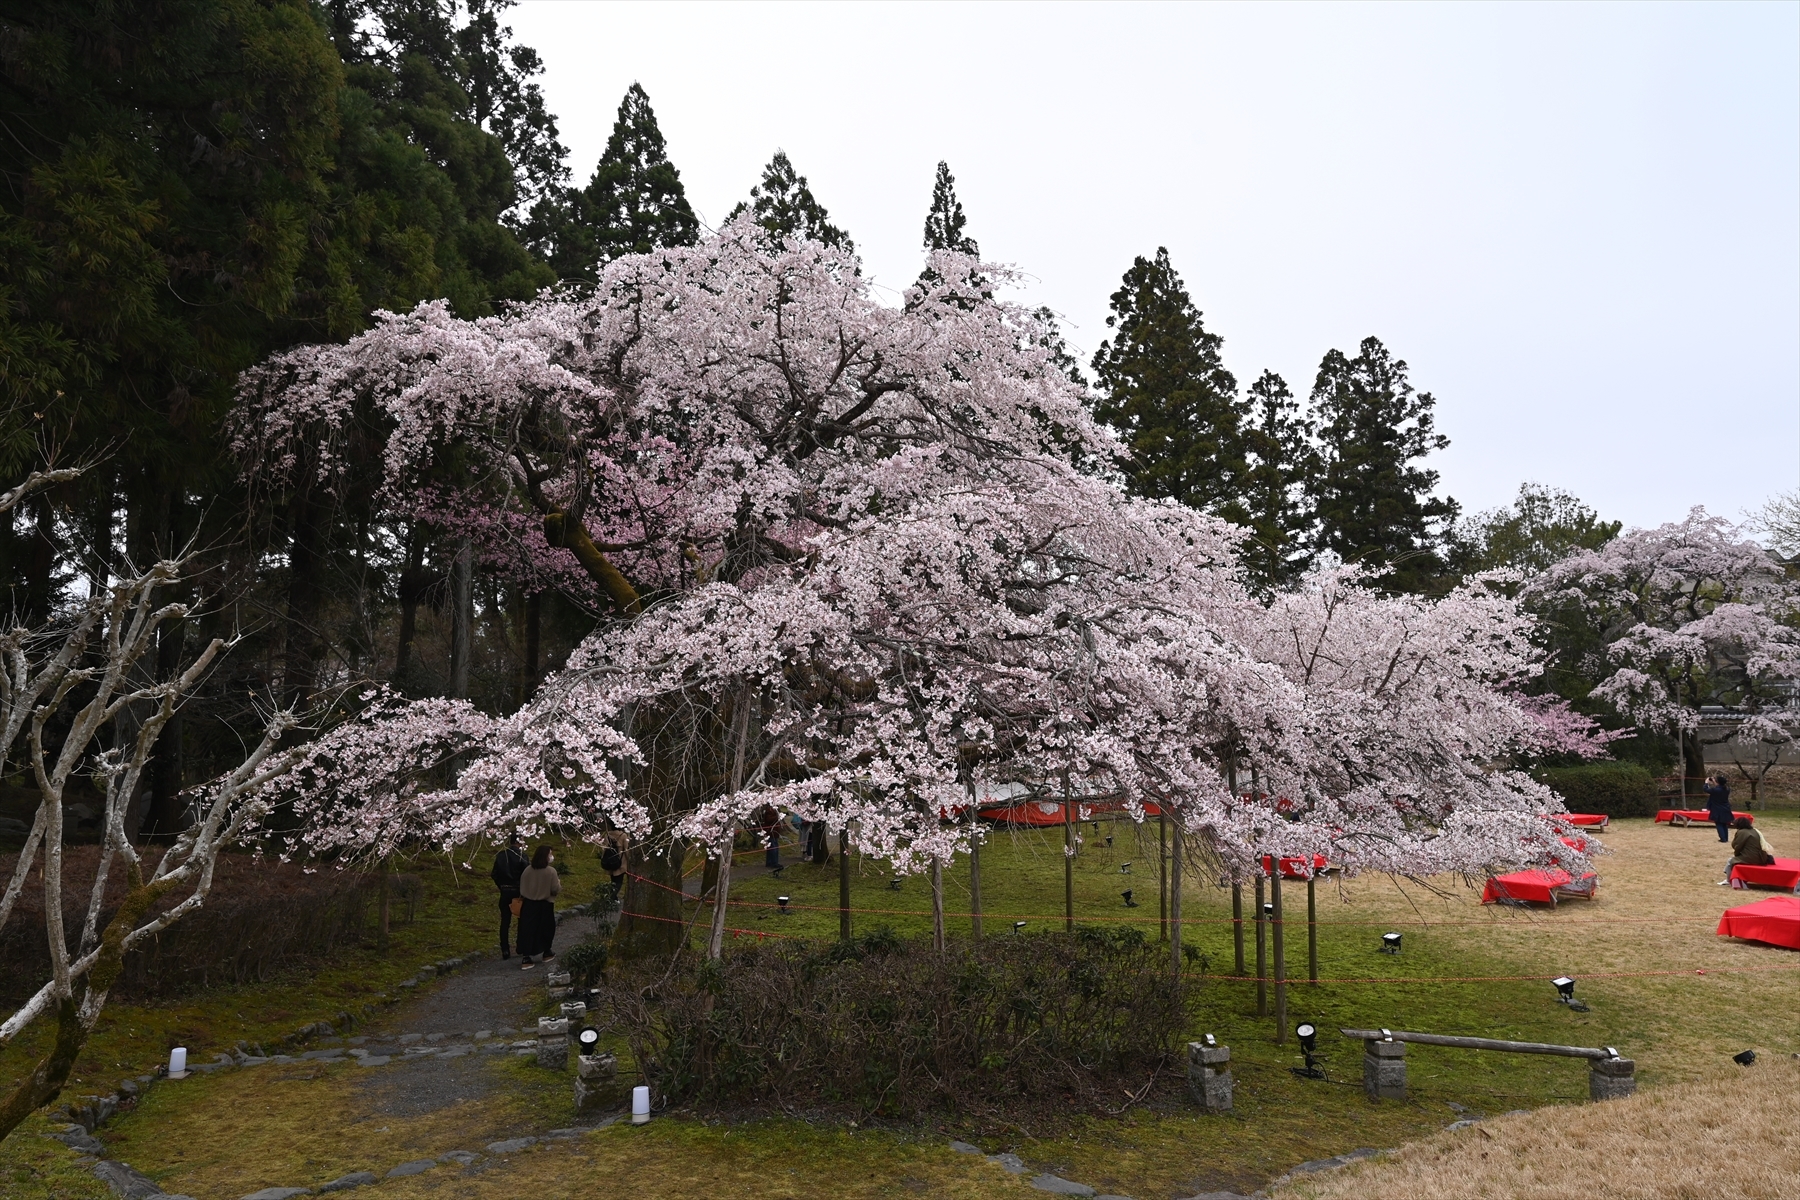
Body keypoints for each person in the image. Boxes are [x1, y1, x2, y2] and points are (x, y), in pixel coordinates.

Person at [516, 845, 562, 969]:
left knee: (527, 929)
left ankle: (526, 957)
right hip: (545, 904)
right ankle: (546, 951)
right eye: (550, 854)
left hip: (528, 904)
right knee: (546, 929)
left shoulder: (527, 870)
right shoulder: (551, 871)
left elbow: (522, 886)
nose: (551, 856)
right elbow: (555, 889)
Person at [490, 833, 527, 959]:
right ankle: (520, 945)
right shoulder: (521, 856)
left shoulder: (501, 855)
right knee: (521, 919)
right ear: (519, 841)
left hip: (505, 891)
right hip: (518, 891)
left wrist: (501, 885)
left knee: (505, 921)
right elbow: (527, 874)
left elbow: (494, 874)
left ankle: (505, 949)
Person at [1720, 816, 1777, 885]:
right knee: (1732, 860)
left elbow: (1737, 846)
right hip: (1761, 857)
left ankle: (1728, 880)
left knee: (1730, 861)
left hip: (1751, 857)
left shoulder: (1742, 832)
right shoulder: (1755, 831)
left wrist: (1737, 855)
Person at [1702, 773, 1734, 843]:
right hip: (1726, 808)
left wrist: (1706, 783)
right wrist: (1714, 782)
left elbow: (1706, 789)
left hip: (1717, 809)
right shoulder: (1727, 789)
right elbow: (1719, 787)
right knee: (1724, 823)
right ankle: (1725, 838)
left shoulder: (1716, 790)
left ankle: (1723, 838)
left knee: (1719, 823)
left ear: (1718, 782)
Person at [600, 832, 626, 907]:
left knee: (613, 880)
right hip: (620, 861)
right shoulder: (623, 835)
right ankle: (612, 897)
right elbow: (626, 849)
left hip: (610, 861)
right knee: (619, 881)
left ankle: (613, 897)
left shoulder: (608, 835)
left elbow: (604, 848)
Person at [757, 803, 782, 870]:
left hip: (774, 831)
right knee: (773, 847)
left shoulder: (773, 810)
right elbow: (768, 819)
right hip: (771, 832)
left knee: (772, 846)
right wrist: (777, 817)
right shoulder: (769, 810)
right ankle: (774, 862)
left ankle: (770, 862)